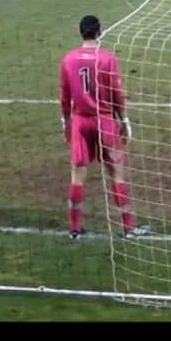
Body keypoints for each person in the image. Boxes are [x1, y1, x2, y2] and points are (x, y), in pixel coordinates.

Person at [59, 15, 148, 239]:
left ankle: (74, 229)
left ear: (81, 32)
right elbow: (117, 94)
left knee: (77, 175)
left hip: (80, 122)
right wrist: (124, 120)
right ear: (99, 32)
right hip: (105, 120)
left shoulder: (68, 59)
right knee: (116, 173)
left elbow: (64, 95)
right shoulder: (107, 58)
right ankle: (128, 228)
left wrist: (65, 121)